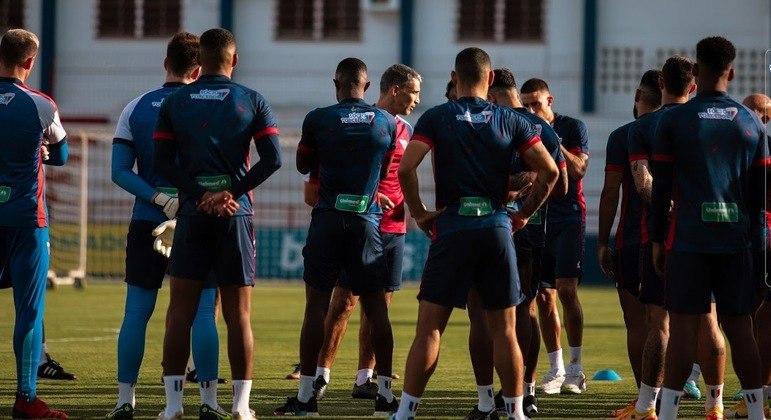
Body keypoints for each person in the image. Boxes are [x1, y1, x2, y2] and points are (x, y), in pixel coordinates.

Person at [391, 47, 559, 420]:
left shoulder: (436, 118)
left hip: (452, 228)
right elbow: (551, 172)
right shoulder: (512, 121)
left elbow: (406, 170)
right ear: (492, 80)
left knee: (430, 330)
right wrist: (524, 215)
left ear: (454, 78)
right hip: (497, 228)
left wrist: (419, 214)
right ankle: (515, 413)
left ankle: (404, 413)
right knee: (506, 331)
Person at [153, 27, 282, 420]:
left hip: (192, 215)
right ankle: (242, 408)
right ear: (235, 60)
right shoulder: (252, 100)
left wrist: (197, 195)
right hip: (235, 216)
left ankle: (174, 406)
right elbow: (273, 159)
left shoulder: (176, 101)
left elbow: (160, 163)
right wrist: (232, 193)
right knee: (238, 315)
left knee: (180, 312)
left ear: (198, 64)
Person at [106, 32, 229, 420]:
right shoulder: (210, 106)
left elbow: (119, 172)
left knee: (137, 312)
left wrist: (159, 199)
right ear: (199, 69)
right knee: (204, 312)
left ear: (165, 64)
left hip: (147, 219)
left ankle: (126, 400)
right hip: (197, 220)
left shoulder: (136, 107)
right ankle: (208, 403)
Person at [285, 63, 420, 401]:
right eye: (414, 93)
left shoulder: (321, 120)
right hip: (368, 221)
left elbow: (304, 165)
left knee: (324, 304)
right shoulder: (385, 124)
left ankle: (321, 391)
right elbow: (386, 168)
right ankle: (376, 392)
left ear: (336, 83)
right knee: (361, 305)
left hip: (347, 221)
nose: (417, 100)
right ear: (373, 85)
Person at [651, 36, 768, 420]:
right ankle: (756, 414)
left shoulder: (675, 120)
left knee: (684, 329)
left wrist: (656, 240)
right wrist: (756, 249)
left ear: (696, 73)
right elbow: (760, 200)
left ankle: (666, 414)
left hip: (687, 239)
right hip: (737, 242)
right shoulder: (751, 122)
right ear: (731, 73)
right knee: (739, 327)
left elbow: (662, 189)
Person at [462, 67, 567, 419]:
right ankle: (528, 391)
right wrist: (527, 201)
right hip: (531, 228)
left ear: (491, 91)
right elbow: (561, 184)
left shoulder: (490, 123)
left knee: (480, 312)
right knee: (526, 310)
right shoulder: (545, 130)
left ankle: (485, 399)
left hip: (488, 225)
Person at [0, 28, 69, 419]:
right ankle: (26, 399)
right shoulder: (40, 105)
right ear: (30, 62)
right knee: (28, 311)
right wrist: (39, 152)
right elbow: (61, 156)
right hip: (27, 218)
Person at [520, 77, 590, 395]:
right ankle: (557, 369)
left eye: (537, 103)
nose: (532, 109)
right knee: (542, 297)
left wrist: (549, 140)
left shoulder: (573, 128)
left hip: (569, 218)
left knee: (565, 291)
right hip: (538, 219)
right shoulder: (520, 129)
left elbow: (577, 170)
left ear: (550, 101)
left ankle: (577, 369)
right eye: (527, 105)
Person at [598, 70, 661, 399]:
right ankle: (711, 398)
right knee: (692, 319)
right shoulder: (685, 126)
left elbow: (610, 193)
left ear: (638, 95)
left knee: (639, 322)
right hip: (687, 235)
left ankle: (645, 398)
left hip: (635, 239)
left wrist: (601, 242)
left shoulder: (625, 134)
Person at [725, 92, 771, 419]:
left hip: (762, 238)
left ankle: (759, 397)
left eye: (754, 111)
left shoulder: (759, 146)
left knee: (761, 317)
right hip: (749, 235)